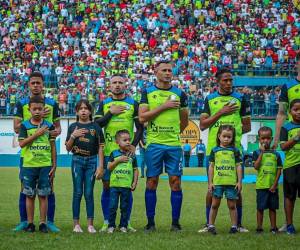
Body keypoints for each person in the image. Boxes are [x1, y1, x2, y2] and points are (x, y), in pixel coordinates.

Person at [199, 68, 251, 233]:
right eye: (225, 80)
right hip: (214, 151)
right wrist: (222, 112)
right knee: (212, 188)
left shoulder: (241, 98)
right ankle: (209, 224)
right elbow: (203, 124)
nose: (229, 83)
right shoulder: (210, 99)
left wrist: (231, 138)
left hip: (235, 151)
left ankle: (239, 224)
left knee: (237, 188)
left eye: (231, 80)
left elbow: (247, 126)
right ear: (218, 81)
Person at [139, 60, 189, 232]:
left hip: (174, 145)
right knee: (152, 182)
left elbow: (184, 121)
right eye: (164, 70)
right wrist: (164, 106)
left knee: (175, 183)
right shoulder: (147, 92)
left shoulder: (180, 94)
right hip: (154, 145)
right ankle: (150, 223)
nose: (168, 73)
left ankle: (175, 223)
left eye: (170, 70)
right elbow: (142, 118)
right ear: (156, 72)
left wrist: (173, 134)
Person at [13, 71, 61, 232]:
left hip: (45, 155)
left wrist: (52, 131)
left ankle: (49, 221)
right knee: (25, 188)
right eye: (32, 83)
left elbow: (58, 128)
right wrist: (35, 119)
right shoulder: (21, 103)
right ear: (28, 85)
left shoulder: (52, 104)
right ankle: (24, 221)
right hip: (28, 156)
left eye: (38, 83)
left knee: (49, 187)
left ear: (43, 85)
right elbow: (16, 127)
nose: (35, 85)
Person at [95, 74, 143, 232]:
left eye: (120, 82)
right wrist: (111, 112)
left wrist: (133, 146)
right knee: (107, 187)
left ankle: (126, 221)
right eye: (114, 82)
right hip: (110, 153)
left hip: (127, 154)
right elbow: (96, 125)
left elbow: (140, 128)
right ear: (109, 86)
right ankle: (107, 221)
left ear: (125, 85)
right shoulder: (104, 103)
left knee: (126, 188)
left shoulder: (133, 104)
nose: (117, 85)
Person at [18, 96, 57, 233]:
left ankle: (42, 223)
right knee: (29, 195)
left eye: (40, 109)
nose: (37, 111)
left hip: (45, 165)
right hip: (29, 165)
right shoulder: (24, 125)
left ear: (43, 110)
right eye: (34, 109)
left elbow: (53, 146)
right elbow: (22, 144)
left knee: (43, 194)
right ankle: (29, 223)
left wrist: (54, 164)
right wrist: (37, 134)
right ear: (29, 110)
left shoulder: (49, 125)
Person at [65, 100, 104, 233]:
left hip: (92, 162)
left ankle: (90, 225)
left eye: (86, 108)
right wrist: (73, 136)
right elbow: (68, 148)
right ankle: (76, 224)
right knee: (77, 193)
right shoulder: (73, 127)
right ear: (76, 111)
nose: (83, 111)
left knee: (88, 193)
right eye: (80, 108)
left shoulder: (96, 127)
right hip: (77, 161)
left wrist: (100, 166)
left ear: (90, 111)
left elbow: (100, 148)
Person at [274, 54, 300, 232]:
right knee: (289, 192)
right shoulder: (288, 86)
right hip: (293, 147)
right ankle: (288, 223)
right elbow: (282, 113)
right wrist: (276, 137)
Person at [207, 125, 242, 235]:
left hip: (231, 184)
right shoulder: (214, 150)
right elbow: (211, 167)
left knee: (232, 205)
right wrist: (210, 182)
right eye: (224, 136)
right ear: (219, 136)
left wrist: (239, 181)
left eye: (229, 137)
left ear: (232, 138)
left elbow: (238, 166)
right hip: (217, 183)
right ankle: (211, 225)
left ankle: (234, 226)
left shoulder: (235, 151)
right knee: (214, 205)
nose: (226, 139)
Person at [107, 130, 139, 233]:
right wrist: (118, 160)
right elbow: (109, 167)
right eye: (125, 140)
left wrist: (134, 182)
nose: (128, 142)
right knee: (112, 206)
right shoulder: (114, 153)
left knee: (124, 207)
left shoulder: (132, 155)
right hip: (114, 185)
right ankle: (111, 226)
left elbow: (135, 170)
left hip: (126, 186)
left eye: (129, 140)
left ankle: (123, 226)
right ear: (117, 142)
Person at [253, 126, 282, 234]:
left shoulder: (276, 154)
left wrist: (274, 185)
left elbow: (279, 170)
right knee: (260, 208)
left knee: (272, 208)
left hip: (273, 187)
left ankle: (273, 227)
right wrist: (261, 153)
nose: (265, 141)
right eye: (263, 138)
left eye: (268, 138)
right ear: (259, 139)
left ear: (271, 138)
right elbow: (256, 166)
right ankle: (259, 228)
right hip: (261, 186)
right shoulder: (256, 153)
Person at [279, 99, 300, 234]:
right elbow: (283, 146)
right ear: (290, 111)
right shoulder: (285, 128)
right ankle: (289, 225)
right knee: (289, 196)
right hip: (291, 166)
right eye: (296, 109)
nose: (299, 112)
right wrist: (297, 137)